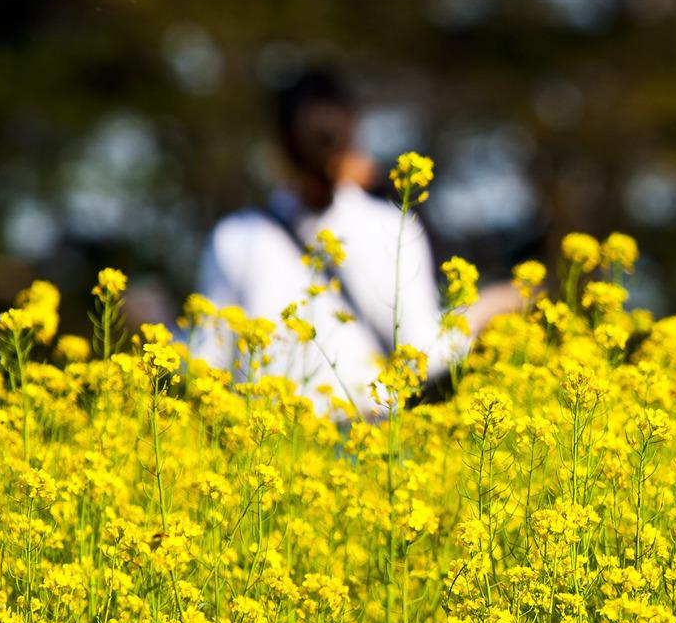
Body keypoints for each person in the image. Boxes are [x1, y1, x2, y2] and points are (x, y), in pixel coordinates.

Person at [192, 66, 516, 416]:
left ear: (277, 147)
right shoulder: (392, 226)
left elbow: (206, 364)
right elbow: (421, 354)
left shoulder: (237, 237)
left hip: (263, 448)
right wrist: (482, 310)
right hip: (367, 445)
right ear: (354, 136)